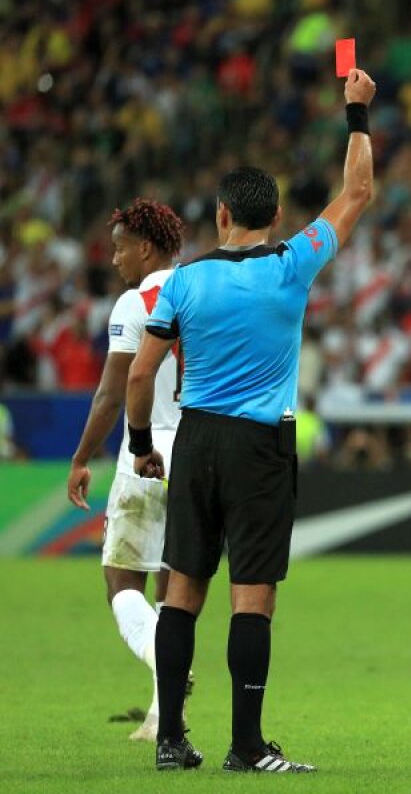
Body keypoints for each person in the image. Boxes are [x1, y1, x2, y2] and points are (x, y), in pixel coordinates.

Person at [125, 68, 377, 773]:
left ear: (221, 216)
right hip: (259, 446)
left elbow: (141, 374)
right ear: (275, 215)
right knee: (252, 599)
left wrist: (142, 444)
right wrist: (356, 113)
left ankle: (171, 740)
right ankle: (246, 747)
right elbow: (358, 191)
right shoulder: (292, 264)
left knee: (182, 592)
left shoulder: (184, 281)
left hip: (196, 438)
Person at [65, 198, 187, 741]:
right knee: (175, 588)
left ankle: (166, 662)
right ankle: (163, 717)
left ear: (146, 248)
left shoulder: (136, 303)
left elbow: (112, 395)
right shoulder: (203, 292)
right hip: (201, 453)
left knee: (120, 578)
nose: (114, 259)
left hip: (147, 450)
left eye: (120, 249)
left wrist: (81, 457)